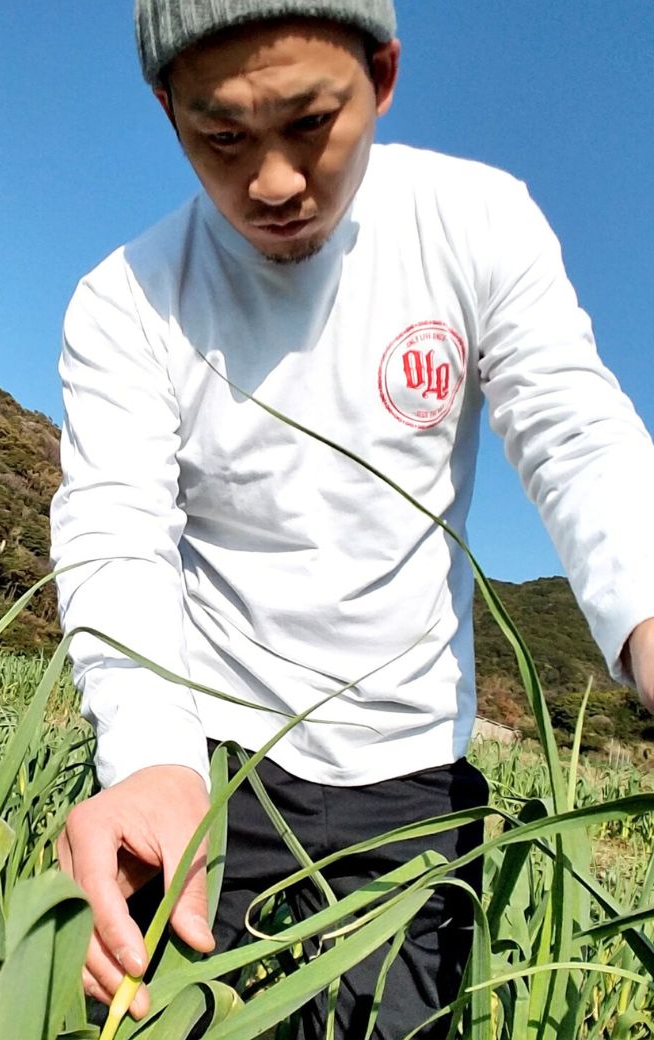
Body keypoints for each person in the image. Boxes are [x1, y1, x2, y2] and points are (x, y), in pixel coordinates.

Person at [50, 2, 654, 1036]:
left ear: (380, 76)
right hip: (206, 763)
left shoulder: (474, 219)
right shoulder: (124, 302)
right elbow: (116, 531)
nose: (273, 181)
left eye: (310, 121)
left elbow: (573, 435)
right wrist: (150, 753)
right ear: (166, 112)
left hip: (410, 776)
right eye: (223, 136)